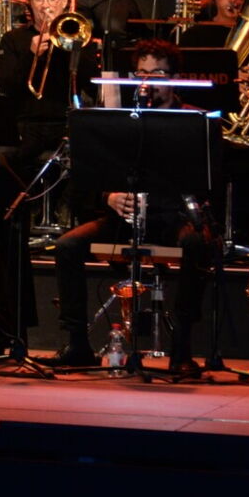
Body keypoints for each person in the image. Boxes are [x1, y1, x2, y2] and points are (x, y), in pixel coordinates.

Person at [49, 40, 220, 373]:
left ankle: (182, 348)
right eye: (141, 73)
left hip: (173, 217)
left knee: (196, 243)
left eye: (158, 74)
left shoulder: (193, 120)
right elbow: (90, 178)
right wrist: (109, 198)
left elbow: (208, 182)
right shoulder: (121, 120)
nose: (148, 81)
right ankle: (77, 343)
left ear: (174, 79)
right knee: (67, 245)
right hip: (126, 218)